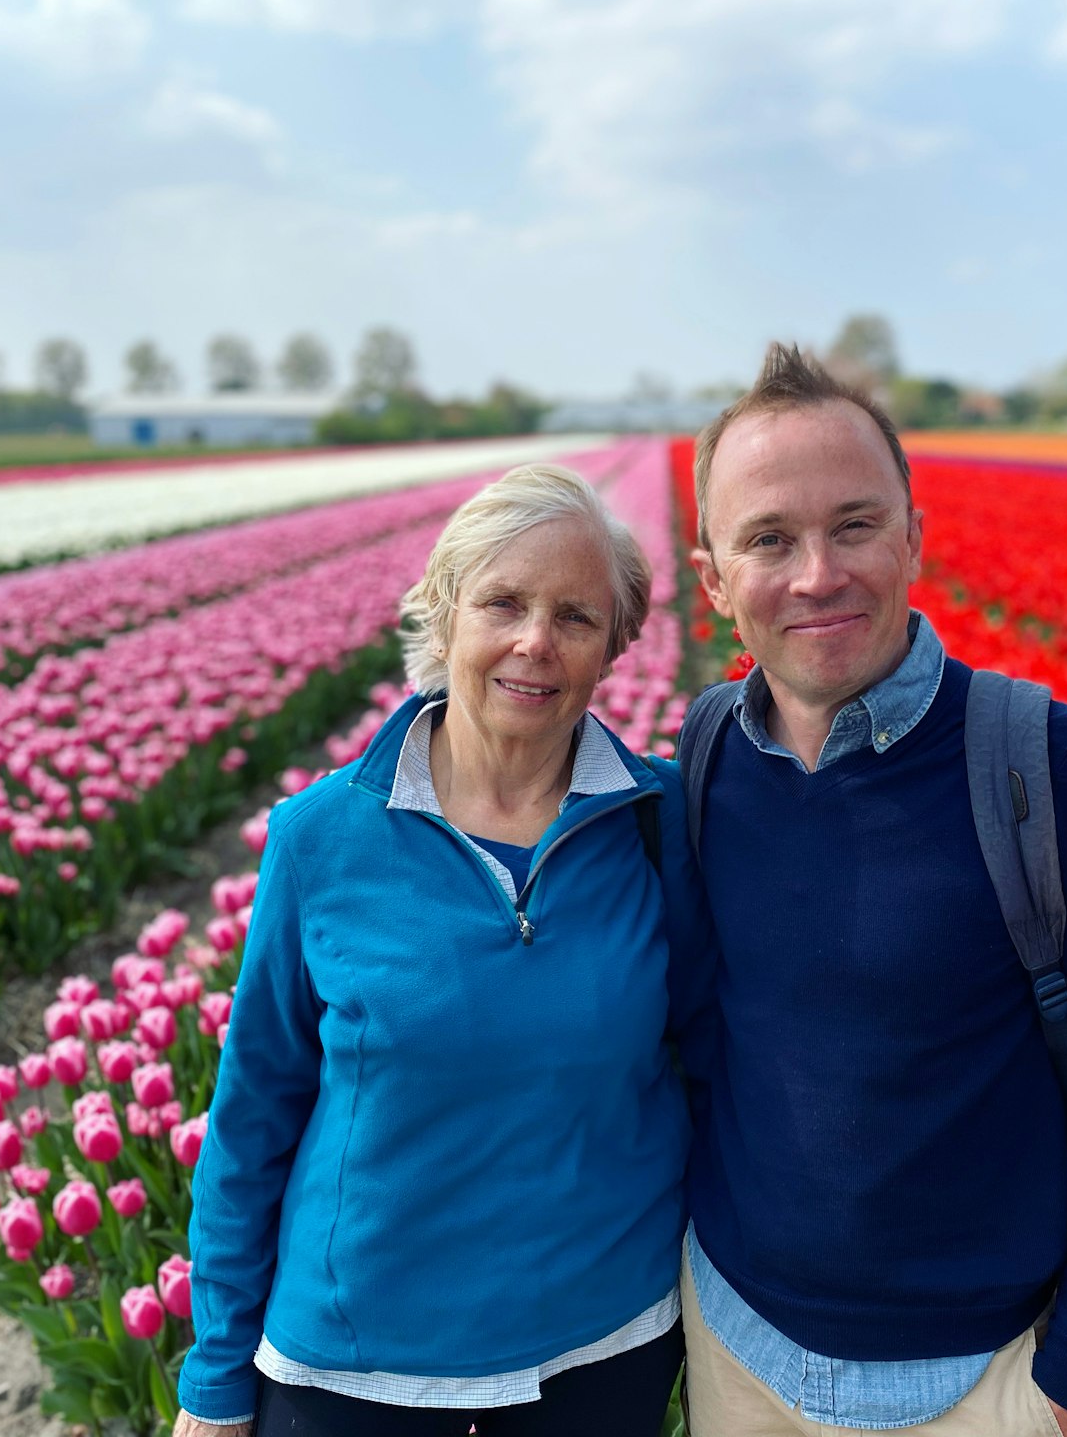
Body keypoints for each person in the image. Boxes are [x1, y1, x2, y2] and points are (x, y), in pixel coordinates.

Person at [678, 344, 1067, 1436]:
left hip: (972, 1382)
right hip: (733, 1342)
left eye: (855, 524)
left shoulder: (1058, 769)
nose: (818, 572)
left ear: (914, 534)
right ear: (715, 580)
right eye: (770, 539)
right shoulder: (710, 751)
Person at [173, 464, 709, 1437]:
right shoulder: (322, 837)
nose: (534, 642)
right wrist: (214, 1381)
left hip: (602, 1349)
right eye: (503, 601)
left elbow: (713, 1063)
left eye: (576, 617)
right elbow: (252, 1116)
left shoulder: (657, 822)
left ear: (615, 647)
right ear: (444, 610)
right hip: (357, 1361)